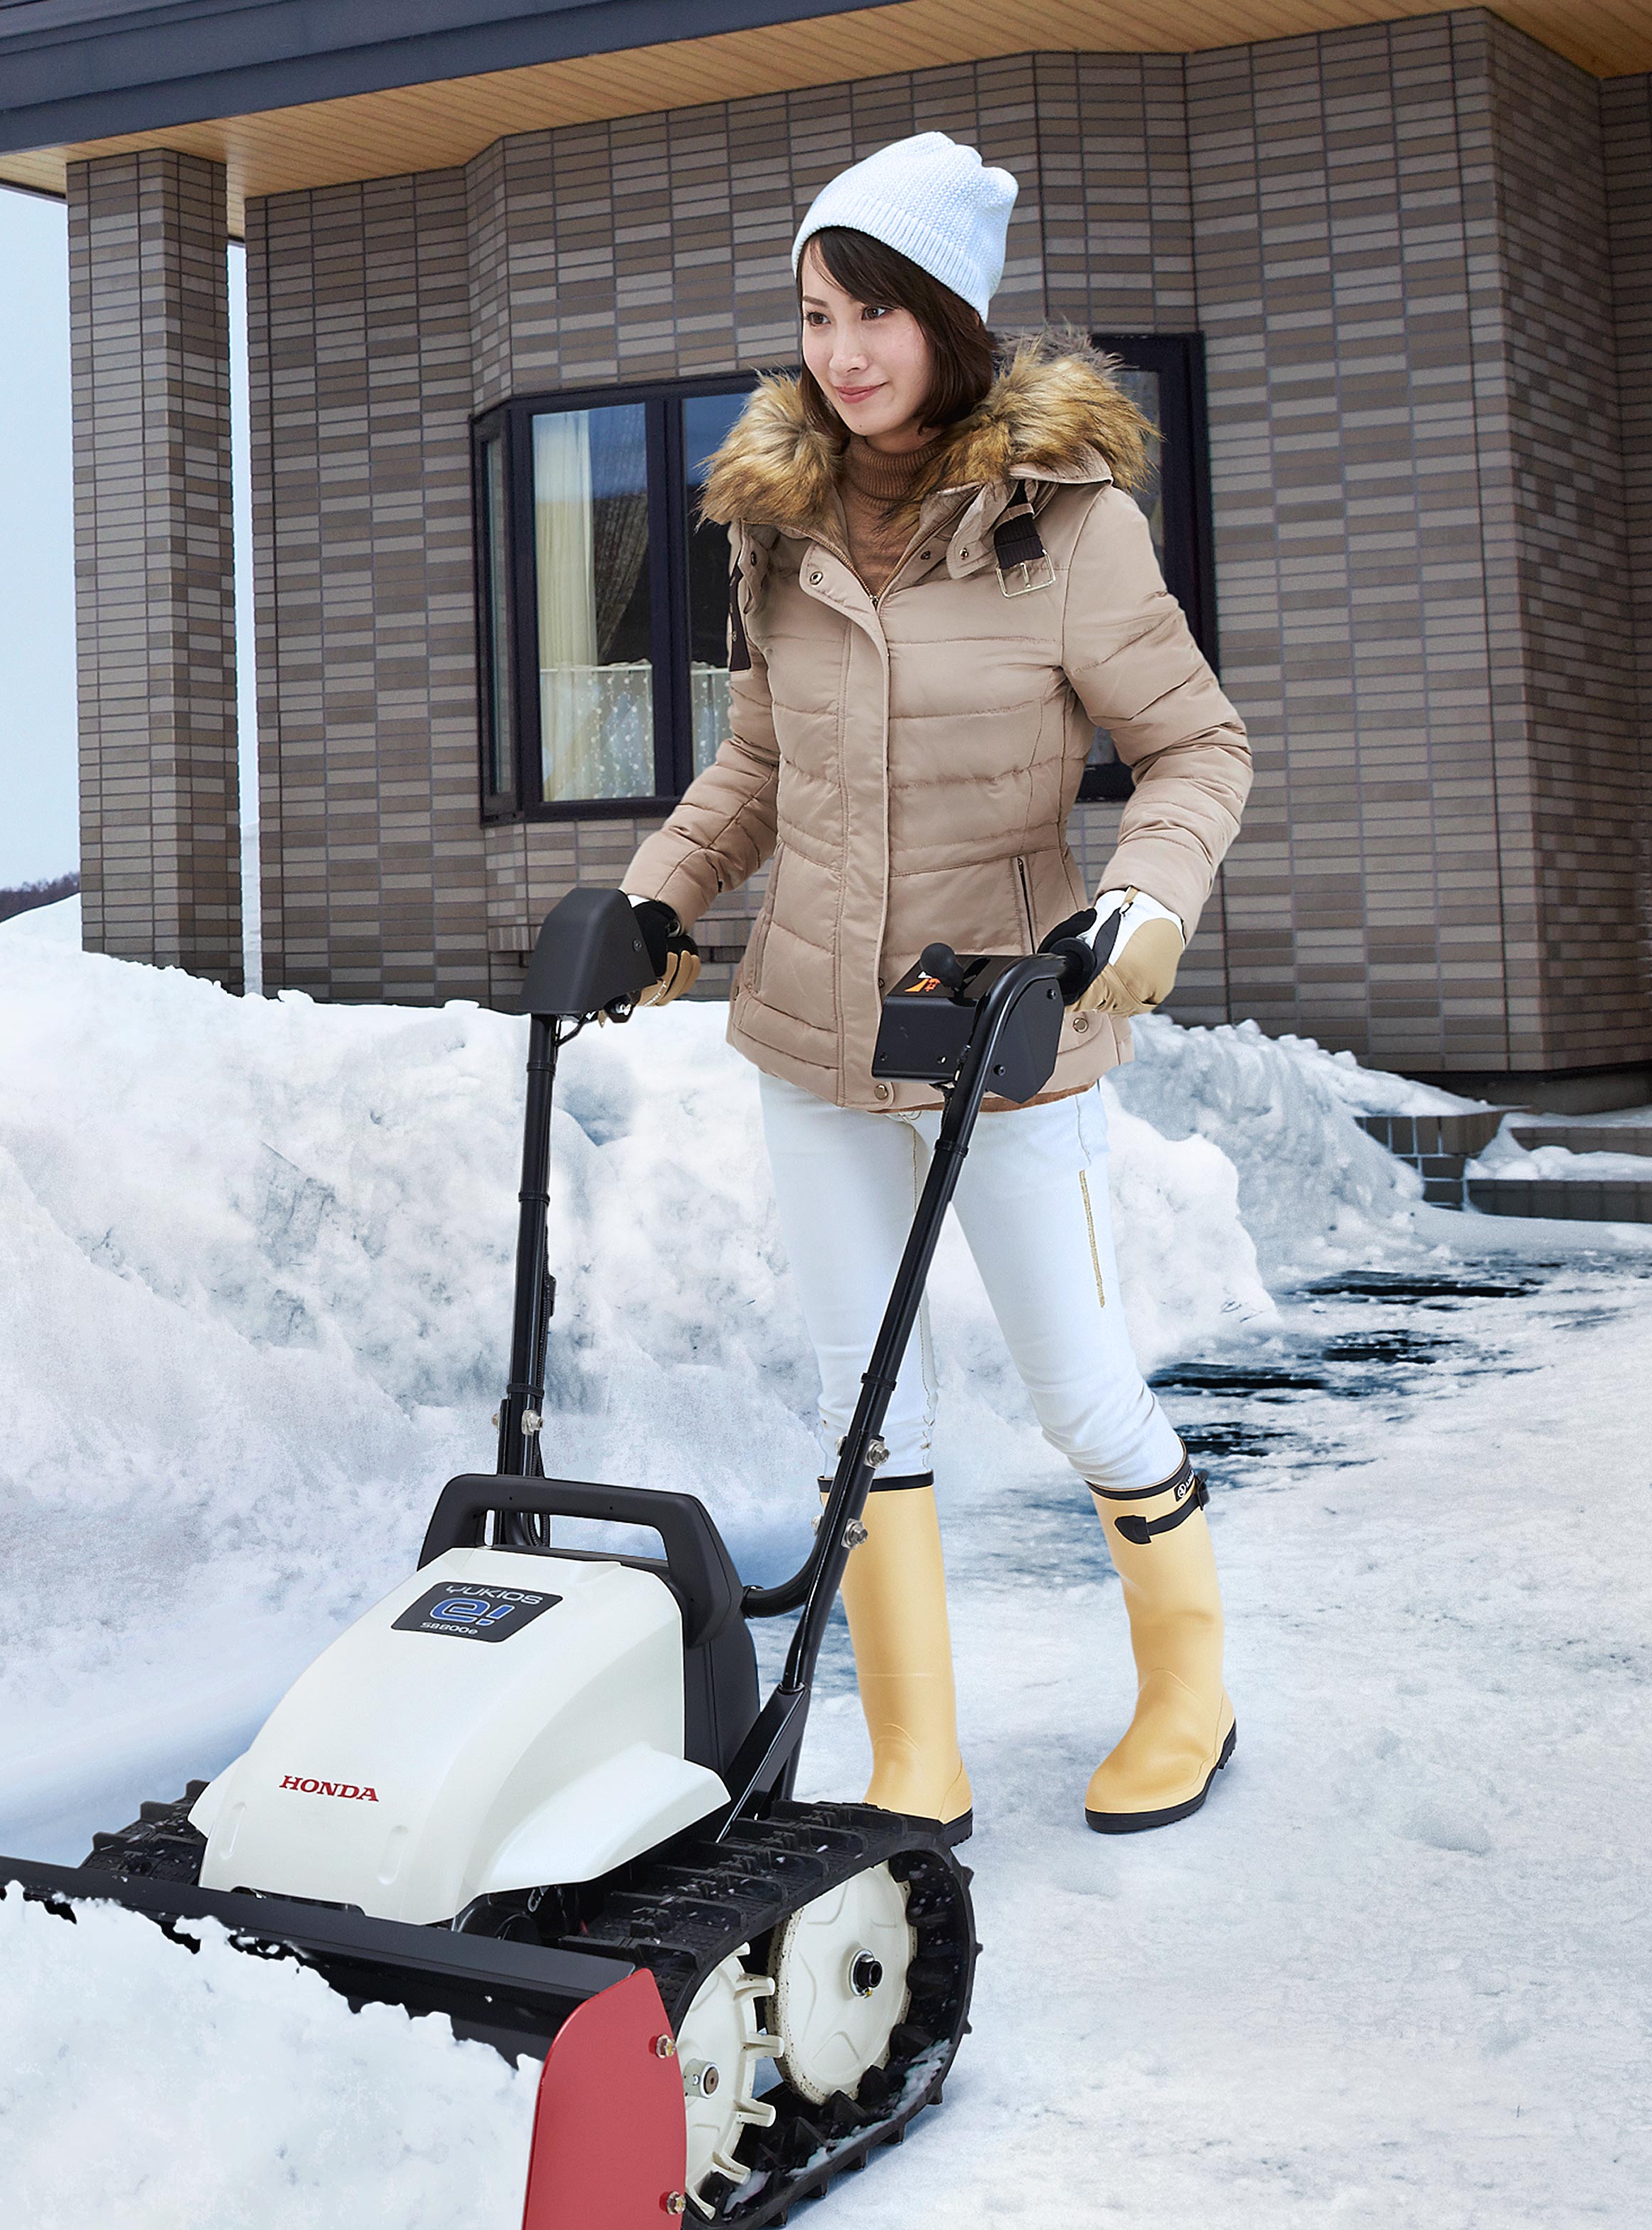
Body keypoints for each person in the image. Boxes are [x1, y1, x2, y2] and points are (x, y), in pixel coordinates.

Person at [616, 132, 1254, 1837]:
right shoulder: (780, 523)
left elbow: (1194, 747)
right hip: (815, 1032)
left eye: (879, 313)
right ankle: (915, 1760)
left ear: (950, 319)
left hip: (1004, 1024)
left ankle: (1189, 1689)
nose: (844, 351)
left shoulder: (1070, 529)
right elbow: (757, 766)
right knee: (858, 1403)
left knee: (1076, 1384)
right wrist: (656, 896)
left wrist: (1143, 906)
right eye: (821, 312)